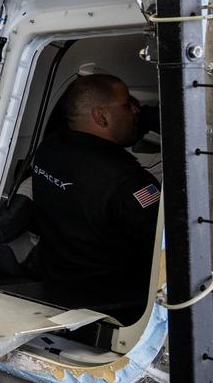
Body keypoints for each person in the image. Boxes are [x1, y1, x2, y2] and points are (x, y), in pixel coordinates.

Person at [27, 74, 159, 300]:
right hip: (111, 301)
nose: (136, 111)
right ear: (101, 116)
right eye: (128, 104)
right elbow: (163, 246)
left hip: (55, 282)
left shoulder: (48, 149)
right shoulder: (129, 182)